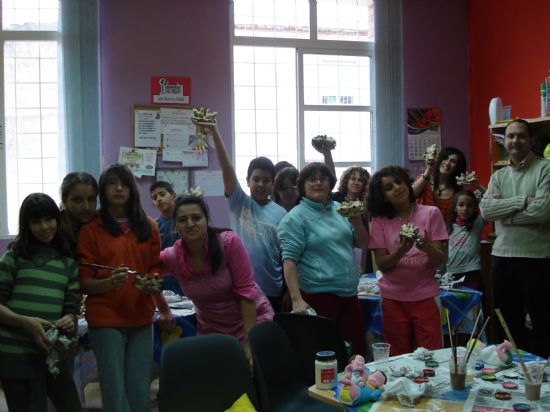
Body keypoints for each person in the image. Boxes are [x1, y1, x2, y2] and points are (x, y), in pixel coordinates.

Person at [77, 164, 173, 412]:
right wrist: (109, 283)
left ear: (132, 188)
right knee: (114, 388)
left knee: (140, 386)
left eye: (124, 183)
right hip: (105, 319)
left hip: (141, 316)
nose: (119, 188)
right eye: (112, 183)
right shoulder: (90, 229)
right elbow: (84, 281)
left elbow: (153, 267)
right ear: (103, 189)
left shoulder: (149, 226)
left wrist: (154, 287)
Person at [159, 193, 273, 366]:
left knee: (254, 382)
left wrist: (248, 343)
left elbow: (246, 293)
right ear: (175, 226)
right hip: (210, 331)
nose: (190, 224)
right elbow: (146, 275)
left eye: (196, 217)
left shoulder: (228, 243)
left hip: (251, 323)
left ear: (207, 220)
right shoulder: (172, 256)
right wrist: (163, 309)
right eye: (182, 220)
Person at [193, 119, 287, 312]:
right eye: (256, 179)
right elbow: (226, 168)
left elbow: (286, 256)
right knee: (244, 338)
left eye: (266, 180)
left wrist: (288, 291)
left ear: (272, 183)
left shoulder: (281, 213)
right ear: (248, 181)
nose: (261, 184)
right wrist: (214, 131)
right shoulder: (239, 203)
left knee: (269, 339)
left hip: (273, 290)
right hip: (241, 288)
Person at [0, 193, 82, 412]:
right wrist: (26, 322)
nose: (45, 227)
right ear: (26, 225)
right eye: (36, 222)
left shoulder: (67, 263)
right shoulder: (14, 257)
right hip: (15, 354)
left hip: (52, 353)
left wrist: (70, 318)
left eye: (49, 219)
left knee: (72, 406)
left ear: (58, 219)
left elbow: (71, 304)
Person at [277, 162, 368, 356]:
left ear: (330, 183)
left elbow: (362, 243)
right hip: (318, 297)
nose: (318, 183)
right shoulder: (295, 218)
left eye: (323, 178)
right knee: (325, 358)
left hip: (349, 295)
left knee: (356, 356)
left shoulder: (341, 209)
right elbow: (289, 261)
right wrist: (296, 300)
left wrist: (357, 223)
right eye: (312, 179)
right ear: (302, 186)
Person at [480, 118, 550, 358]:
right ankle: (509, 377)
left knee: (543, 324)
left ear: (531, 140)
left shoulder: (545, 168)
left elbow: (543, 211)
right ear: (504, 141)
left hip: (537, 259)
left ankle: (542, 381)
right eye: (510, 136)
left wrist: (505, 216)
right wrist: (521, 201)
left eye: (521, 135)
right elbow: (486, 211)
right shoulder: (499, 176)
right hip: (502, 258)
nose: (515, 140)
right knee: (507, 326)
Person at [367, 166, 447, 356]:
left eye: (398, 182)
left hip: (426, 296)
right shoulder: (380, 220)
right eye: (388, 187)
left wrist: (425, 246)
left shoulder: (431, 213)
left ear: (407, 183)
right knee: (397, 356)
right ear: (383, 196)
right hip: (393, 298)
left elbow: (440, 261)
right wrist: (402, 250)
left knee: (431, 356)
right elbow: (383, 265)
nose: (396, 188)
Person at [413, 147, 468, 222]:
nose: (447, 163)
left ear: (457, 168)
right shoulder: (424, 179)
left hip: (442, 232)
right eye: (445, 158)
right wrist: (428, 170)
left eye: (453, 162)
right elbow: (410, 195)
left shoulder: (457, 191)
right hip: (417, 229)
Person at [446, 190, 485, 292]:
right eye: (461, 205)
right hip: (451, 273)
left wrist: (480, 195)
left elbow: (489, 207)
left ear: (474, 208)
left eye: (470, 206)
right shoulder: (449, 227)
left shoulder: (477, 223)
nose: (465, 209)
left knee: (473, 305)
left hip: (472, 272)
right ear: (455, 207)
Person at [149, 180, 184, 295]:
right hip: (164, 280)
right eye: (154, 197)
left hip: (186, 277)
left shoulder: (185, 220)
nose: (158, 199)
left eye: (162, 194)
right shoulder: (154, 226)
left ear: (174, 196)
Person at [60, 171, 99, 253]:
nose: (86, 207)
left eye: (91, 199)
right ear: (65, 200)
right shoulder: (54, 229)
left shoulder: (103, 225)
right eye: (78, 201)